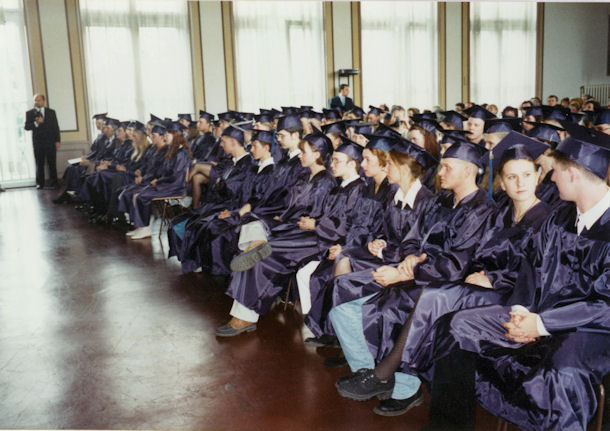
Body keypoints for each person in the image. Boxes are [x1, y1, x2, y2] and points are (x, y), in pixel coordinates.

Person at [424, 125, 610, 431]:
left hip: (592, 331)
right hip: (538, 316)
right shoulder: (561, 217)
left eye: (556, 172)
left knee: (560, 372)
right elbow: (531, 269)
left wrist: (541, 324)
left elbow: (605, 306)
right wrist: (522, 312)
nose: (550, 178)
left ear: (573, 174)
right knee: (455, 325)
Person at [24, 94, 61, 189]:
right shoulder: (29, 113)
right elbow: (26, 127)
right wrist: (36, 123)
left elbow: (56, 127)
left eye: (39, 100)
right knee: (39, 164)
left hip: (50, 142)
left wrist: (57, 140)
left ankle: (54, 183)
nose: (36, 102)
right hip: (38, 143)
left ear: (44, 101)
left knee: (52, 163)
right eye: (35, 100)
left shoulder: (51, 112)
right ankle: (40, 183)